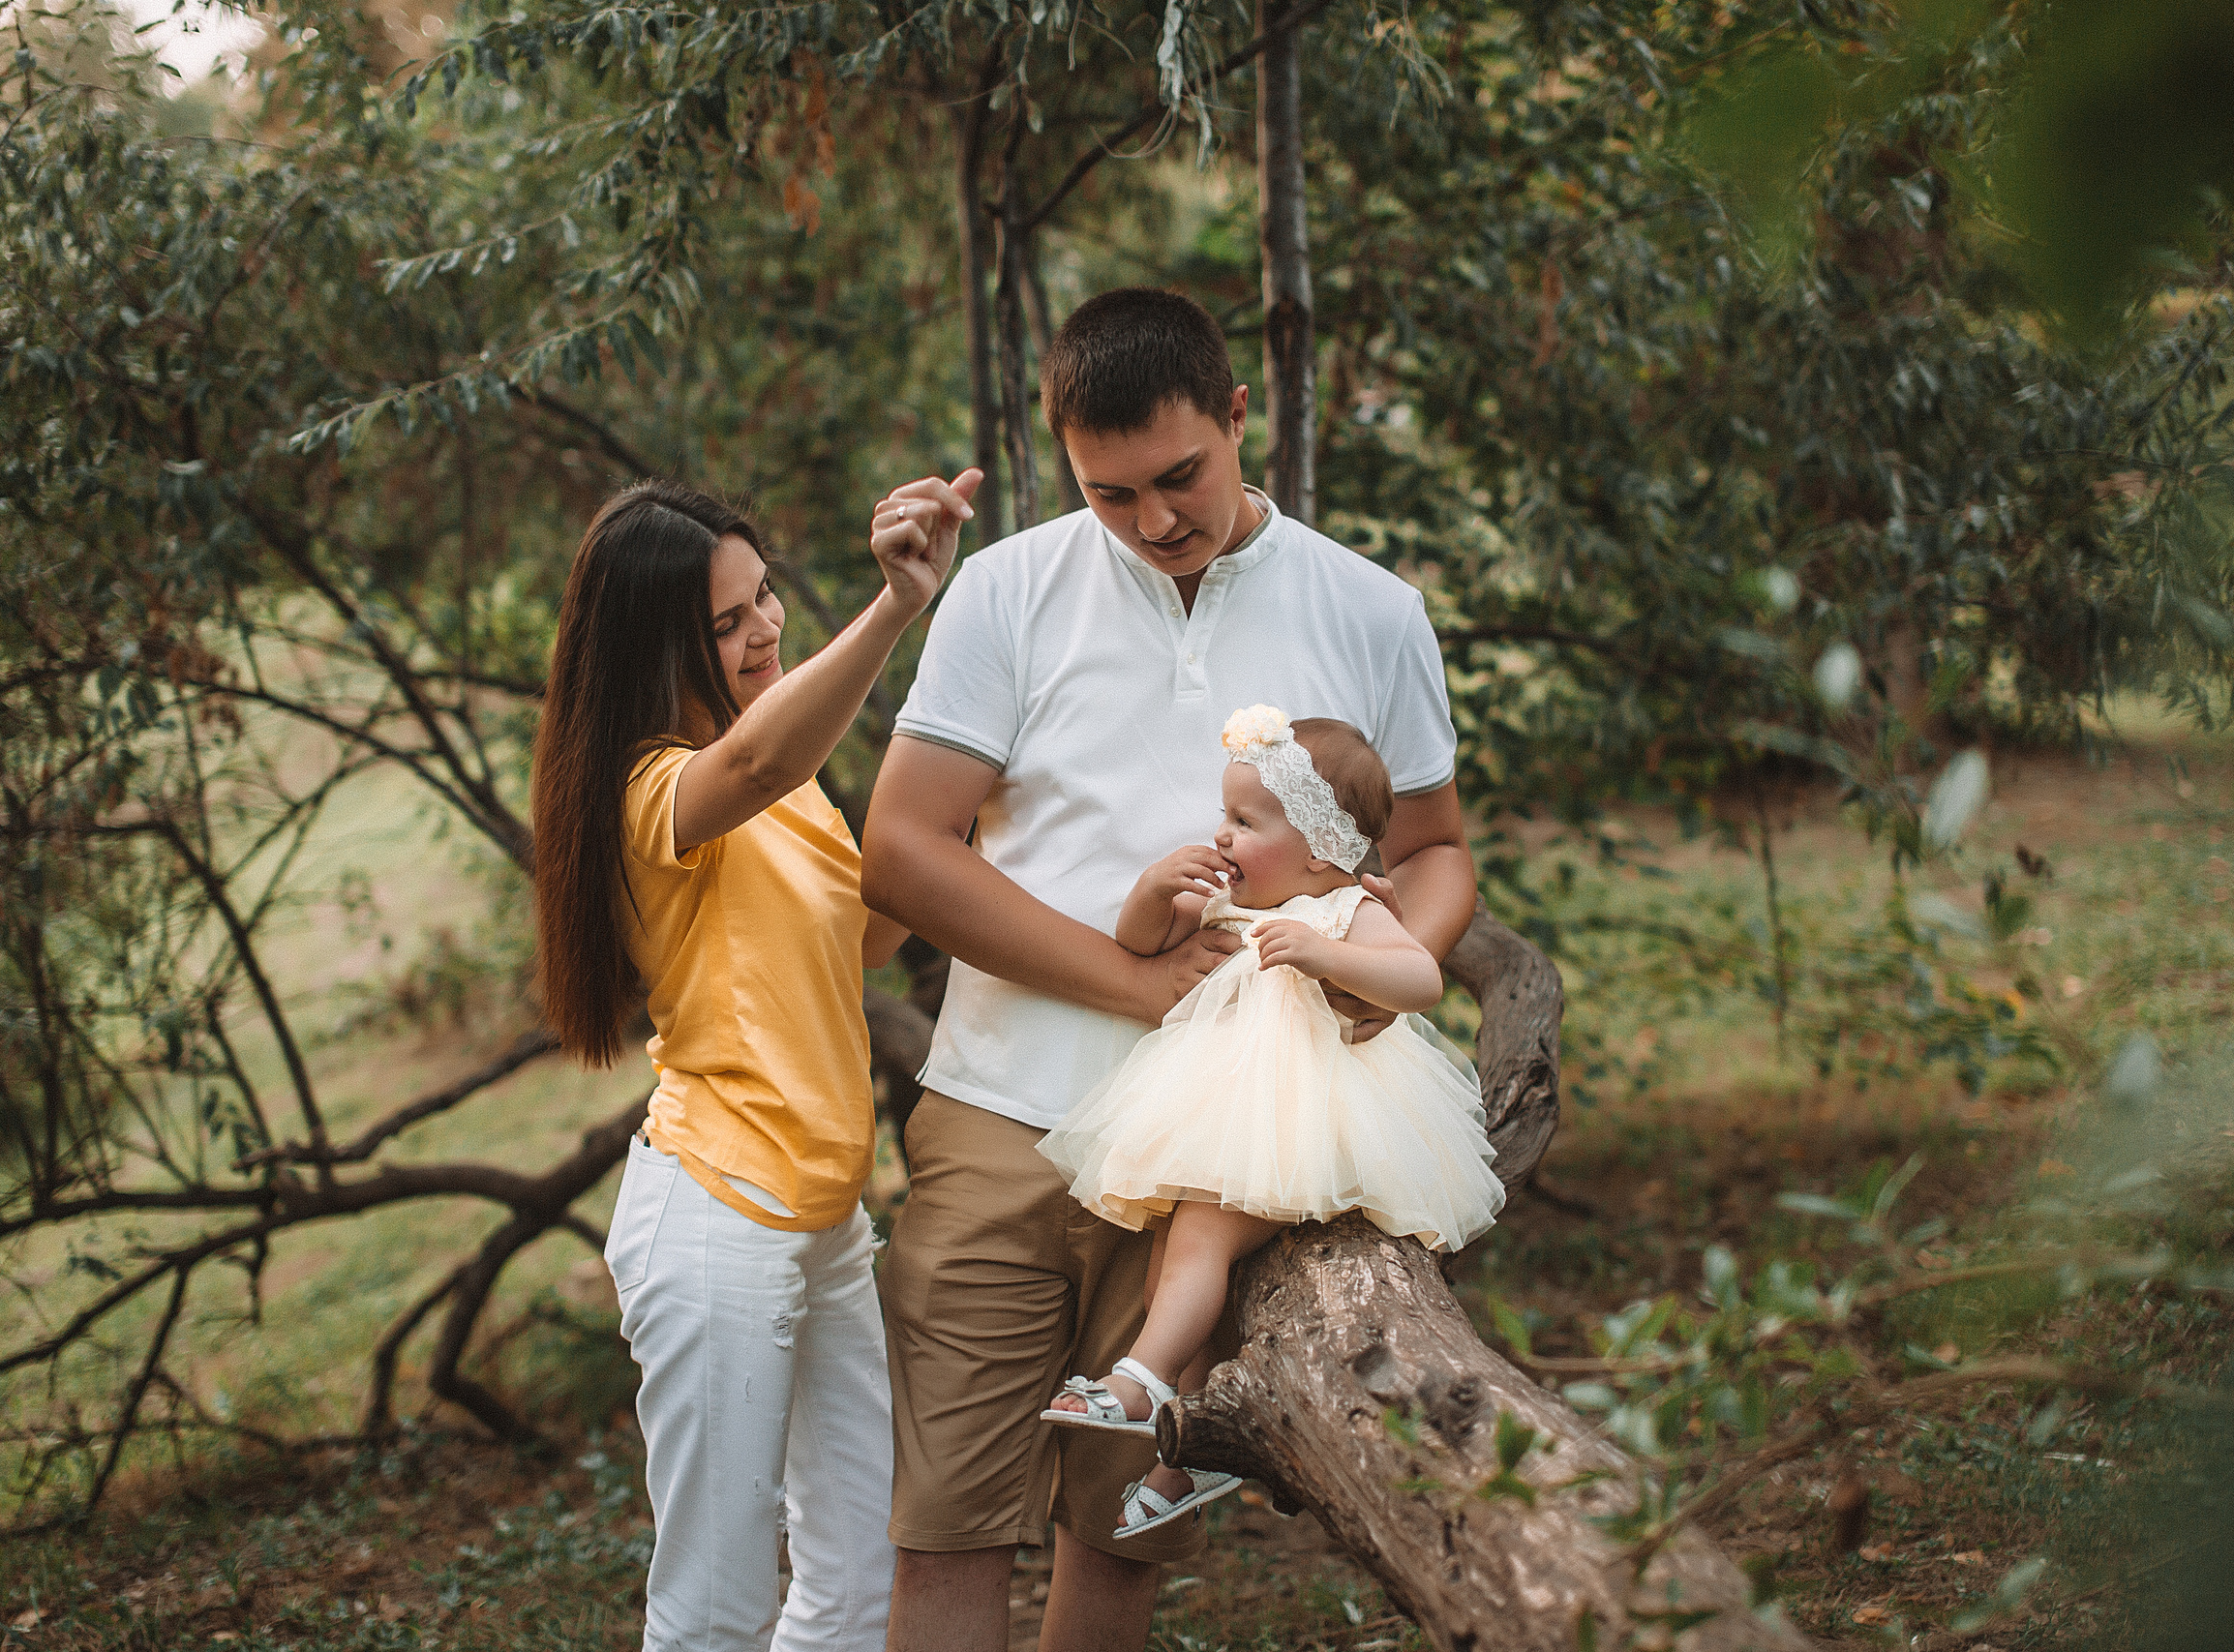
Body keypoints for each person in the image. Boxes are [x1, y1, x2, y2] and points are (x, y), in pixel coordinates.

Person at [860, 287, 1479, 1652]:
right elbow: (902, 850)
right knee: (947, 1533)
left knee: (1124, 1541)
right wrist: (1131, 980)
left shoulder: (1370, 610)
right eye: (1109, 490)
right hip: (1003, 1119)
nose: (1152, 519)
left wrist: (1374, 967)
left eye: (1181, 475)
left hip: (1224, 1154)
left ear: (1239, 411)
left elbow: (1433, 851)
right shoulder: (1008, 589)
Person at [530, 471, 979, 1652]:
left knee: (851, 1575)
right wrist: (895, 610)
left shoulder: (781, 782)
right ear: (652, 646)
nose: (764, 628)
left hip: (822, 1217)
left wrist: (969, 779)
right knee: (715, 1612)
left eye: (764, 597)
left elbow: (864, 937)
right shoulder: (652, 790)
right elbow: (754, 770)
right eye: (725, 623)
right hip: (721, 1215)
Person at [1036, 706, 1505, 1535]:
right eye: (1223, 814)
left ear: (1319, 847)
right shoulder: (1227, 903)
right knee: (1173, 1280)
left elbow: (1419, 979)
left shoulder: (1344, 911)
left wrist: (1328, 954)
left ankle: (1141, 1380)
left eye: (1244, 821)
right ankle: (1189, 1461)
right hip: (1231, 1118)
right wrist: (1153, 891)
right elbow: (1139, 939)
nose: (1220, 835)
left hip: (1303, 1127)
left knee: (1200, 1245)